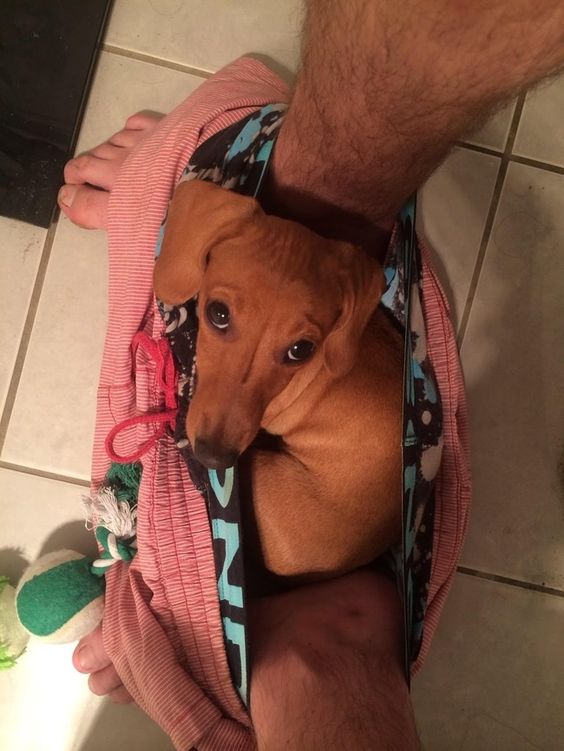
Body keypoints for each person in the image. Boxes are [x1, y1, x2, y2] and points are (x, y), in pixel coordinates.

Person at [57, 2, 564, 749]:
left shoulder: (334, 306)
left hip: (309, 529)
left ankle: (269, 630)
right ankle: (310, 645)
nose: (223, 425)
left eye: (296, 351)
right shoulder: (316, 302)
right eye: (221, 315)